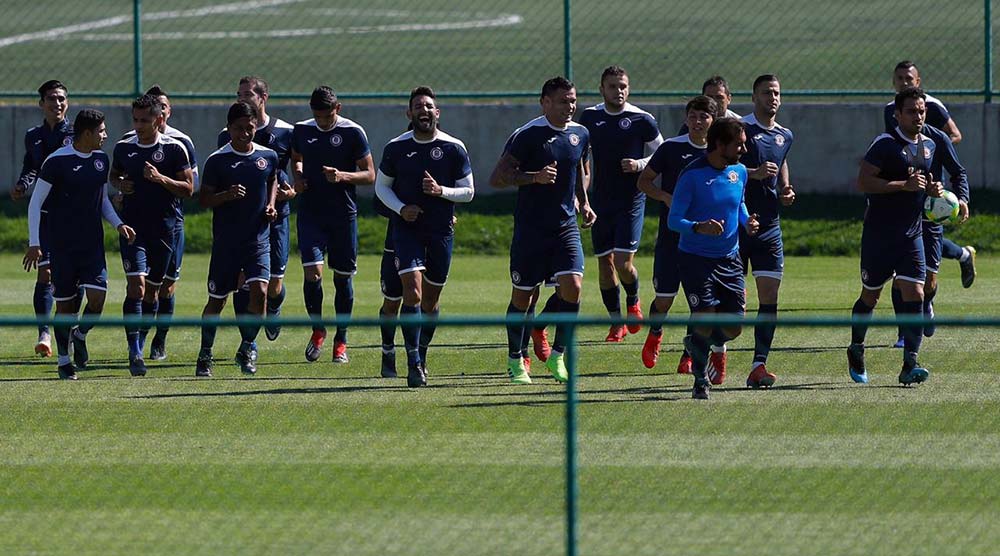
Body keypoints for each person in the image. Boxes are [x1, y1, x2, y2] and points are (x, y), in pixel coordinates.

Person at [490, 76, 596, 385]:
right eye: (563, 101)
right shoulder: (527, 135)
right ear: (545, 102)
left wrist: (584, 202)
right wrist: (532, 177)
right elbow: (498, 178)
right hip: (531, 229)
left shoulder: (580, 134)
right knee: (524, 298)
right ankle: (514, 359)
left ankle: (558, 355)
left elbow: (578, 168)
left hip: (565, 226)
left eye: (573, 100)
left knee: (573, 287)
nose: (570, 106)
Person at [23, 109, 136, 379]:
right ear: (87, 133)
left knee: (97, 300)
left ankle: (80, 335)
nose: (105, 135)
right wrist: (35, 242)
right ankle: (64, 361)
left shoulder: (100, 159)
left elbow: (102, 200)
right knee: (66, 308)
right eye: (102, 131)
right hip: (62, 247)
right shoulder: (56, 161)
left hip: (92, 246)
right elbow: (35, 203)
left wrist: (117, 223)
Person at [376, 86, 475, 387]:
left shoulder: (453, 147)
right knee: (413, 293)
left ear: (437, 112)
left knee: (430, 303)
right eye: (418, 106)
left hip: (441, 232)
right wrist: (401, 208)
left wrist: (441, 191)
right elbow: (381, 188)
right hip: (407, 232)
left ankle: (421, 351)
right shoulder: (396, 147)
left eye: (429, 106)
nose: (424, 110)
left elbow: (469, 191)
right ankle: (413, 363)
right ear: (409, 113)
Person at [847, 86, 944, 386]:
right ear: (897, 114)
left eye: (922, 111)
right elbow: (863, 182)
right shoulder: (885, 144)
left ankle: (909, 364)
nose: (918, 116)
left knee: (915, 293)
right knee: (870, 297)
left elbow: (924, 182)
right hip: (879, 235)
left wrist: (933, 191)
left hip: (912, 234)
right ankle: (856, 347)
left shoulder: (929, 145)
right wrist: (902, 184)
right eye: (912, 111)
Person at [667, 117, 760, 400]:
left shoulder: (739, 172)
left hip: (730, 259)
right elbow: (674, 220)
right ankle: (700, 380)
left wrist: (747, 222)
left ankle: (696, 342)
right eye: (739, 145)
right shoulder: (692, 175)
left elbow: (739, 203)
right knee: (705, 317)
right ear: (720, 144)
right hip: (696, 259)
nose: (744, 150)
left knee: (734, 327)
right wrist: (698, 226)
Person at [883, 62, 975, 346]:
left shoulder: (935, 119)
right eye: (899, 78)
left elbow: (958, 169)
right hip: (903, 206)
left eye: (908, 78)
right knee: (901, 277)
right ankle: (903, 333)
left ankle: (927, 302)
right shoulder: (890, 111)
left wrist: (961, 198)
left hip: (933, 205)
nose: (904, 83)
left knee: (928, 281)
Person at [110, 94, 194, 377]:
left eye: (144, 120)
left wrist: (161, 179)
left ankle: (150, 338)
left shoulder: (175, 149)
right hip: (133, 229)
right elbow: (114, 176)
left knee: (155, 292)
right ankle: (134, 351)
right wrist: (120, 185)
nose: (139, 125)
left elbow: (188, 188)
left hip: (164, 229)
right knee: (136, 288)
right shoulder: (124, 147)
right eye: (135, 119)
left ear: (159, 119)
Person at [579, 65, 663, 342]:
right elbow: (580, 156)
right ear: (602, 89)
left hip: (631, 200)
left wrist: (639, 163)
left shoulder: (642, 119)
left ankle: (633, 301)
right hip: (601, 201)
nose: (619, 91)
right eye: (613, 86)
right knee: (605, 265)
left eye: (623, 86)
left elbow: (663, 154)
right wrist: (582, 195)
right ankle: (616, 323)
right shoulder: (589, 118)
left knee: (624, 264)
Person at [291, 86, 374, 364]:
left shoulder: (353, 132)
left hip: (342, 215)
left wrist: (343, 176)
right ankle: (318, 329)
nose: (322, 122)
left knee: (342, 278)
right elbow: (296, 157)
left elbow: (370, 174)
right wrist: (299, 177)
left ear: (337, 108)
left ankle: (341, 339)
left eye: (327, 117)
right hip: (311, 214)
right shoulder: (302, 130)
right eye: (317, 116)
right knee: (312, 274)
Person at [196, 101, 279, 377]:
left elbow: (273, 180)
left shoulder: (267, 156)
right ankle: (205, 353)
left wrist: (271, 204)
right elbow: (204, 199)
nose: (245, 133)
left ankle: (248, 347)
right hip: (227, 244)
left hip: (258, 241)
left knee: (261, 292)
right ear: (229, 128)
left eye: (250, 128)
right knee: (217, 301)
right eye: (239, 128)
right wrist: (226, 195)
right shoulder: (218, 160)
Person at [636, 95, 716, 372]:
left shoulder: (718, 154)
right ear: (686, 119)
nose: (697, 122)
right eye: (693, 116)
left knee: (701, 304)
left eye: (703, 116)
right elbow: (643, 181)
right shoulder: (671, 148)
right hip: (672, 237)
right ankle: (655, 333)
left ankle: (689, 354)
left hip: (704, 242)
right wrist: (665, 197)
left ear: (713, 121)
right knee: (665, 298)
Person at [218, 76, 297, 346]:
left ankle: (274, 307)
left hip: (276, 218)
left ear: (263, 98)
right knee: (245, 281)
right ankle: (247, 343)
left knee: (273, 285)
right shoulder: (227, 135)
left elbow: (297, 169)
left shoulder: (286, 131)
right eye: (238, 94)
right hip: (244, 221)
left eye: (247, 94)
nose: (241, 98)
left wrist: (292, 191)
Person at [10, 80, 75, 358]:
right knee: (45, 273)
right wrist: (23, 185)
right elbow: (31, 167)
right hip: (45, 213)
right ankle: (45, 334)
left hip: (72, 214)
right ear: (41, 104)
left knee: (72, 278)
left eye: (61, 99)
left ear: (67, 103)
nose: (56, 103)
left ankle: (69, 332)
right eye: (51, 99)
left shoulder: (75, 132)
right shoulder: (33, 135)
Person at [739, 74, 796, 388]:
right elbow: (724, 168)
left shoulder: (785, 134)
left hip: (770, 227)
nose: (772, 98)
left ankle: (759, 365)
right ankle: (711, 352)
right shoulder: (741, 130)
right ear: (753, 97)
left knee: (769, 297)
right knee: (730, 309)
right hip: (736, 226)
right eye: (765, 93)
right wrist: (754, 173)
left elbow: (782, 162)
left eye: (776, 93)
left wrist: (785, 188)